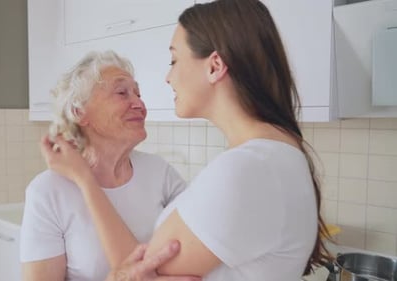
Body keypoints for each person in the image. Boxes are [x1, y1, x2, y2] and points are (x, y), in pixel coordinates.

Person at [41, 0, 332, 280]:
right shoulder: (274, 157)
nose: (168, 77)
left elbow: (139, 272)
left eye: (174, 59)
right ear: (81, 113)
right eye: (121, 93)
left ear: (214, 66)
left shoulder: (246, 169)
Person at [19, 50, 189, 281]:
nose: (139, 103)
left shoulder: (161, 174)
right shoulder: (47, 192)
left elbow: (191, 259)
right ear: (80, 112)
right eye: (122, 93)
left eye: (138, 93)